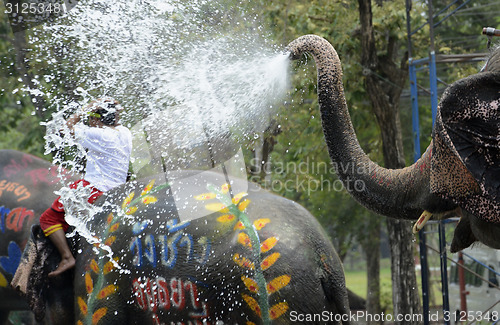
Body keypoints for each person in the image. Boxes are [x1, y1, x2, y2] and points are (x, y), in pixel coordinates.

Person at [39, 98, 132, 277]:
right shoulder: (124, 132)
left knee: (48, 219)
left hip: (93, 189)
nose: (89, 121)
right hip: (117, 191)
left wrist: (86, 107)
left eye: (91, 118)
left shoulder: (99, 135)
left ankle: (67, 257)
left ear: (97, 120)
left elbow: (63, 128)